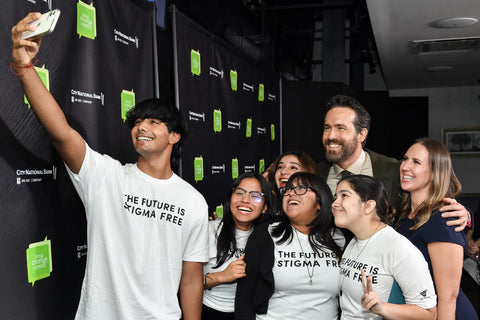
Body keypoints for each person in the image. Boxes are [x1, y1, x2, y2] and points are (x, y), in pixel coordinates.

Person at [11, 13, 209, 320]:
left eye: (154, 121)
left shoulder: (193, 202)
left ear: (174, 135)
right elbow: (61, 133)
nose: (142, 127)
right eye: (137, 122)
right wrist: (24, 67)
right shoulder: (106, 176)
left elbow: (192, 277)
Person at [316, 94, 470, 229]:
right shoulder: (314, 173)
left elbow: (432, 199)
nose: (331, 136)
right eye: (327, 128)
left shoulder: (395, 169)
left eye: (340, 128)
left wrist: (465, 217)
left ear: (361, 134)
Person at [235, 172, 344, 319]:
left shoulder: (339, 237)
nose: (291, 193)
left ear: (320, 202)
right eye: (287, 189)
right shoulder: (266, 233)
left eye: (301, 188)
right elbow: (245, 295)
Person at [333, 174, 437, 319]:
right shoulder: (354, 241)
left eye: (344, 195)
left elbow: (428, 314)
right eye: (335, 197)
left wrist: (382, 308)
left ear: (368, 206)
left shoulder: (399, 248)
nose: (334, 204)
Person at [396, 138, 478, 319]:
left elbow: (449, 296)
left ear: (434, 173)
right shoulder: (405, 216)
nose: (405, 166)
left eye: (416, 162)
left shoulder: (442, 220)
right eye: (405, 159)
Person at [202, 172, 276, 319]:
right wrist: (221, 276)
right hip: (209, 311)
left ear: (265, 207)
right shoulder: (208, 230)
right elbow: (186, 282)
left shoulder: (270, 236)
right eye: (240, 193)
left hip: (251, 314)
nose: (245, 200)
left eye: (255, 196)